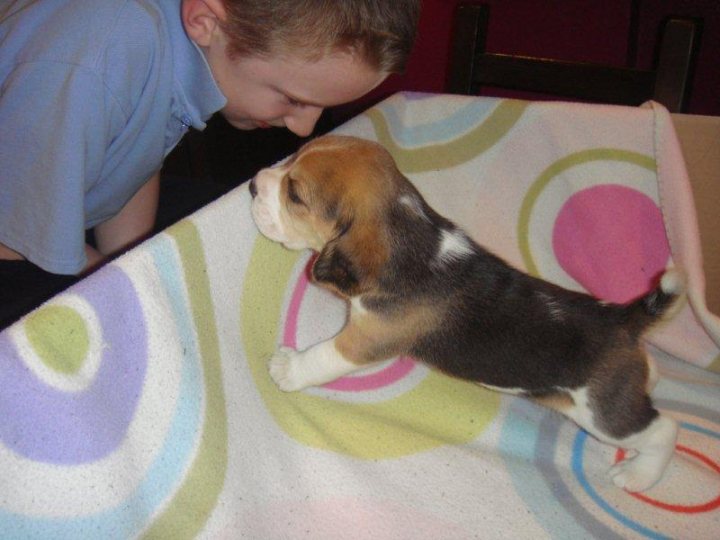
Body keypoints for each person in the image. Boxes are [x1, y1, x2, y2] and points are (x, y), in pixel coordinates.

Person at [0, 0, 421, 328]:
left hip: (54, 202)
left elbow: (134, 156)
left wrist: (137, 257)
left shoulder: (180, 43)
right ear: (205, 21)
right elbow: (14, 234)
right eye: (293, 99)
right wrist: (130, 287)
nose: (302, 127)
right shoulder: (94, 61)